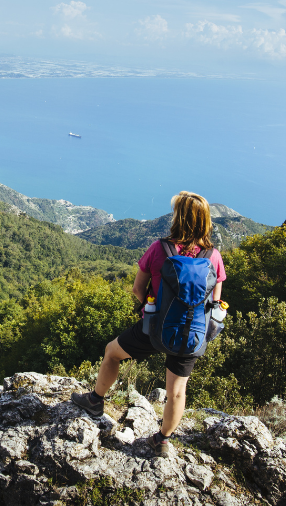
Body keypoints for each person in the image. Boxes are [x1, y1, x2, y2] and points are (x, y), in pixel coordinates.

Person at [71, 191, 227, 457]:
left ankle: (96, 401)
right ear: (205, 221)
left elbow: (137, 289)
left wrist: (154, 311)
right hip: (190, 336)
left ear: (179, 217)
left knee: (112, 352)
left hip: (154, 329)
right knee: (177, 392)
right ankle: (163, 440)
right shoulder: (213, 257)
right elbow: (215, 301)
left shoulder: (160, 249)